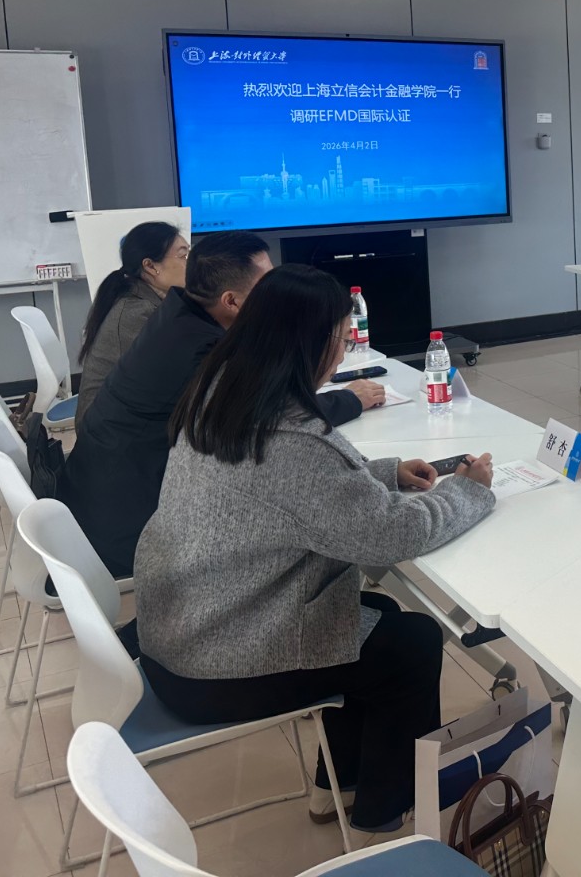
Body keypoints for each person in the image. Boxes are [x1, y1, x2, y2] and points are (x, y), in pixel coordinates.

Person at [134, 264, 496, 834]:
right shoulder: (289, 437)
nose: (343, 351)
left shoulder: (222, 390)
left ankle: (340, 786)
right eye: (342, 338)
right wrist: (467, 494)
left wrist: (384, 473)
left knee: (367, 619)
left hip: (181, 628)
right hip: (215, 663)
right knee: (411, 644)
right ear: (314, 344)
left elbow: (295, 494)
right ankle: (385, 821)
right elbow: (389, 535)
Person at [64, 231, 385, 578]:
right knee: (299, 514)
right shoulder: (202, 351)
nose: (277, 293)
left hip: (98, 498)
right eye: (267, 286)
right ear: (231, 301)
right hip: (131, 529)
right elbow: (272, 421)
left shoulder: (178, 315)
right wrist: (350, 399)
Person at [74, 222, 190, 432]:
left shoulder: (150, 299)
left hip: (122, 420)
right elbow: (173, 377)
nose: (191, 263)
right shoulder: (137, 313)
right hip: (107, 433)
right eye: (183, 256)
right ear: (151, 266)